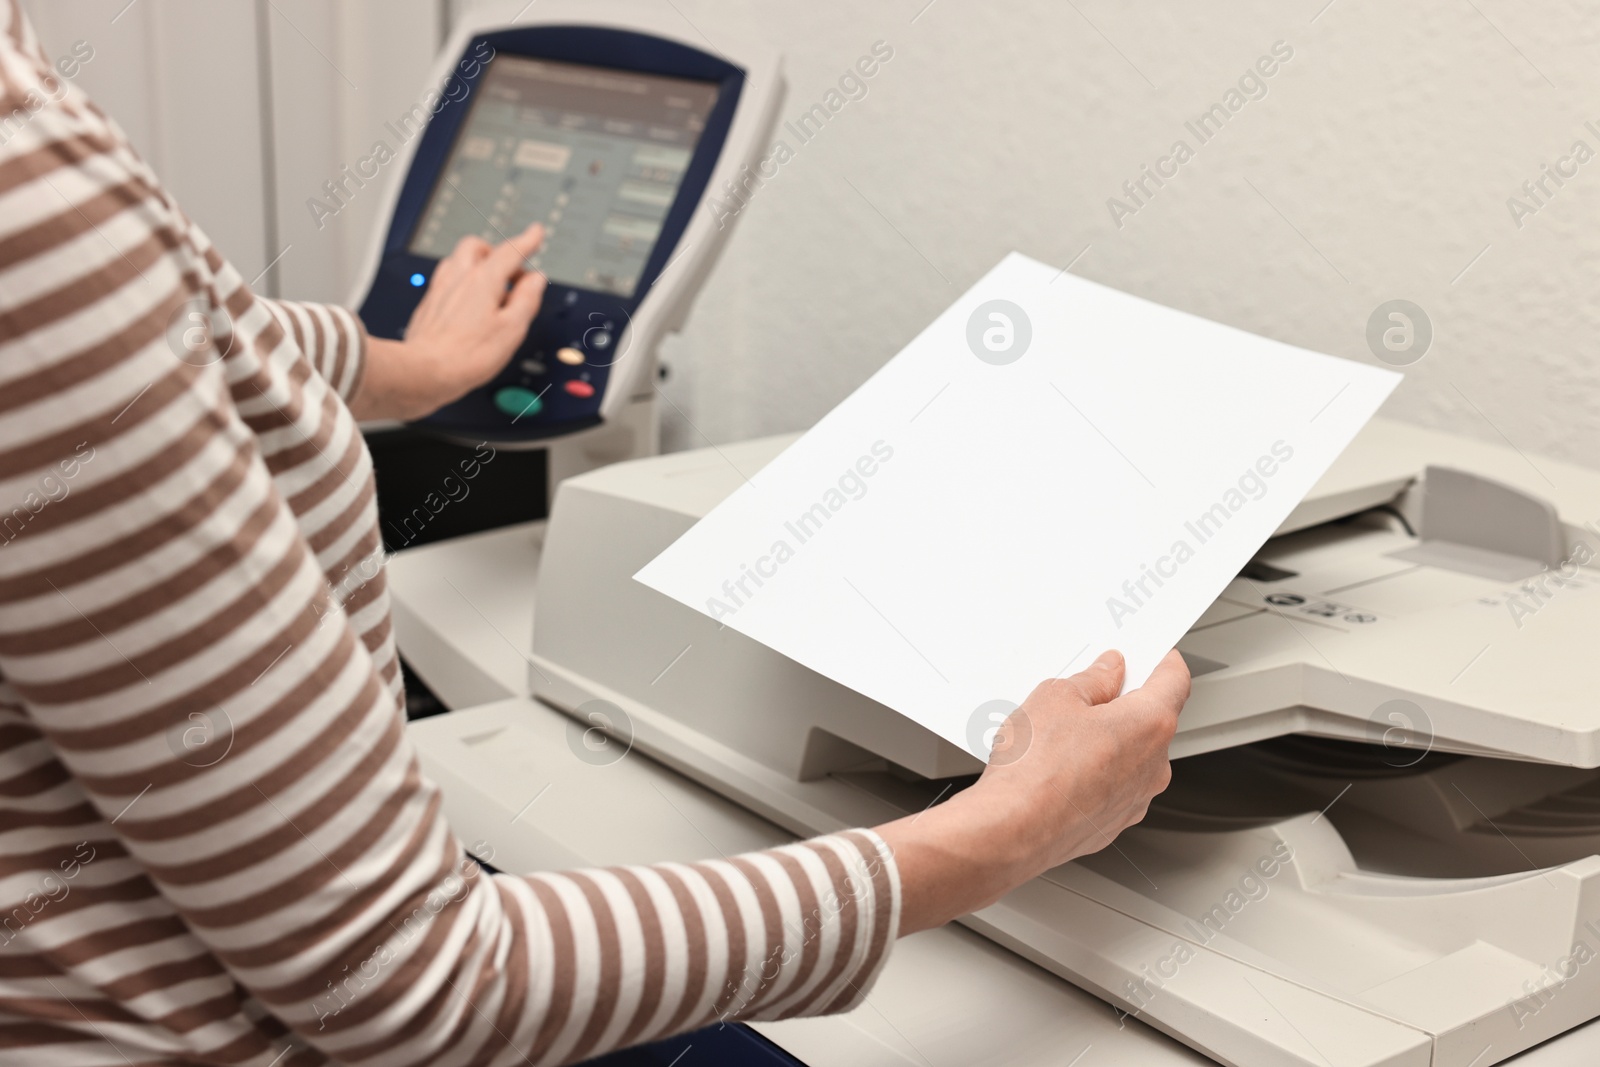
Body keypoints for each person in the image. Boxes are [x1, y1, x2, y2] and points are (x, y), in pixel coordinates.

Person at [0, 4, 1189, 1065]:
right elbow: (411, 984)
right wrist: (1004, 833)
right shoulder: (29, 198)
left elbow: (155, 334)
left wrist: (398, 367)